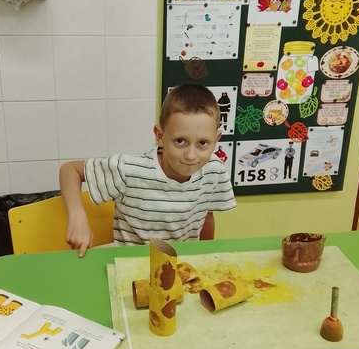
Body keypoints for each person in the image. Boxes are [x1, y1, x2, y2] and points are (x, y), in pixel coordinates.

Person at [59, 83, 236, 257]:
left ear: (216, 139)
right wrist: (77, 216)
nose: (190, 155)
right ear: (160, 136)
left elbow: (207, 216)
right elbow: (70, 170)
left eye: (202, 143)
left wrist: (205, 256)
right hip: (130, 264)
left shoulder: (214, 170)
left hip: (181, 266)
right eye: (180, 141)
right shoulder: (129, 170)